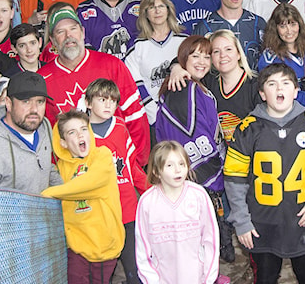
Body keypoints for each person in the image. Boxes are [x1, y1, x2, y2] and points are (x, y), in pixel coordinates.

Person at [223, 63, 305, 284]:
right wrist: (242, 221)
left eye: (286, 83)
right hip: (261, 224)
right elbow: (234, 180)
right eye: (272, 84)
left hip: (304, 219)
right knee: (265, 277)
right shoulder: (246, 129)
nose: (280, 89)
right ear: (262, 93)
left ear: (296, 91)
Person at [152, 36, 231, 264]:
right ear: (184, 58)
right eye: (195, 55)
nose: (202, 61)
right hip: (194, 178)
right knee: (195, 241)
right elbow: (186, 138)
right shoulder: (182, 89)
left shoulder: (195, 85)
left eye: (207, 56)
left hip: (194, 179)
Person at [38, 4, 149, 164]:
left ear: (83, 32)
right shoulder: (43, 79)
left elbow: (134, 115)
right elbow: (49, 135)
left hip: (118, 167)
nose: (69, 36)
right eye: (60, 32)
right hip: (74, 172)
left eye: (73, 29)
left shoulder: (111, 65)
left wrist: (137, 164)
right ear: (53, 41)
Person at [41, 109, 124, 284]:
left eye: (83, 129)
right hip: (76, 248)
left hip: (103, 247)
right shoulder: (60, 168)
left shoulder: (102, 155)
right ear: (63, 142)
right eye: (72, 132)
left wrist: (50, 193)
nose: (80, 135)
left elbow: (89, 184)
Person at [84, 78, 149, 284]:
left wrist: (150, 189)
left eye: (112, 101)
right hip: (99, 213)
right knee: (102, 272)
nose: (108, 105)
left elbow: (132, 167)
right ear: (88, 103)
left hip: (127, 208)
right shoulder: (80, 132)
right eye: (102, 99)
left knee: (134, 268)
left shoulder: (120, 127)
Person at [136, 141, 221, 284]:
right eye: (170, 165)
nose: (178, 170)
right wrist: (151, 280)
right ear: (157, 171)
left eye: (182, 164)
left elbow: (211, 240)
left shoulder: (198, 195)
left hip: (196, 278)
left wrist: (208, 278)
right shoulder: (147, 202)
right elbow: (142, 248)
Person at [124, 0, 187, 124]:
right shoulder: (136, 44)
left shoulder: (184, 38)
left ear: (168, 10)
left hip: (182, 110)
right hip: (151, 115)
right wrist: (154, 113)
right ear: (145, 13)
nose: (157, 11)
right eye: (151, 7)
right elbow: (135, 83)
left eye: (161, 6)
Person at [258, 3, 305, 113]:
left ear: (299, 25)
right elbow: (274, 91)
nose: (289, 31)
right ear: (275, 29)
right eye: (282, 26)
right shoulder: (269, 57)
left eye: (292, 24)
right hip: (287, 119)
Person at [192, 0, 268, 69]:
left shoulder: (258, 24)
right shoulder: (204, 27)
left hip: (254, 84)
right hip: (217, 84)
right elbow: (193, 61)